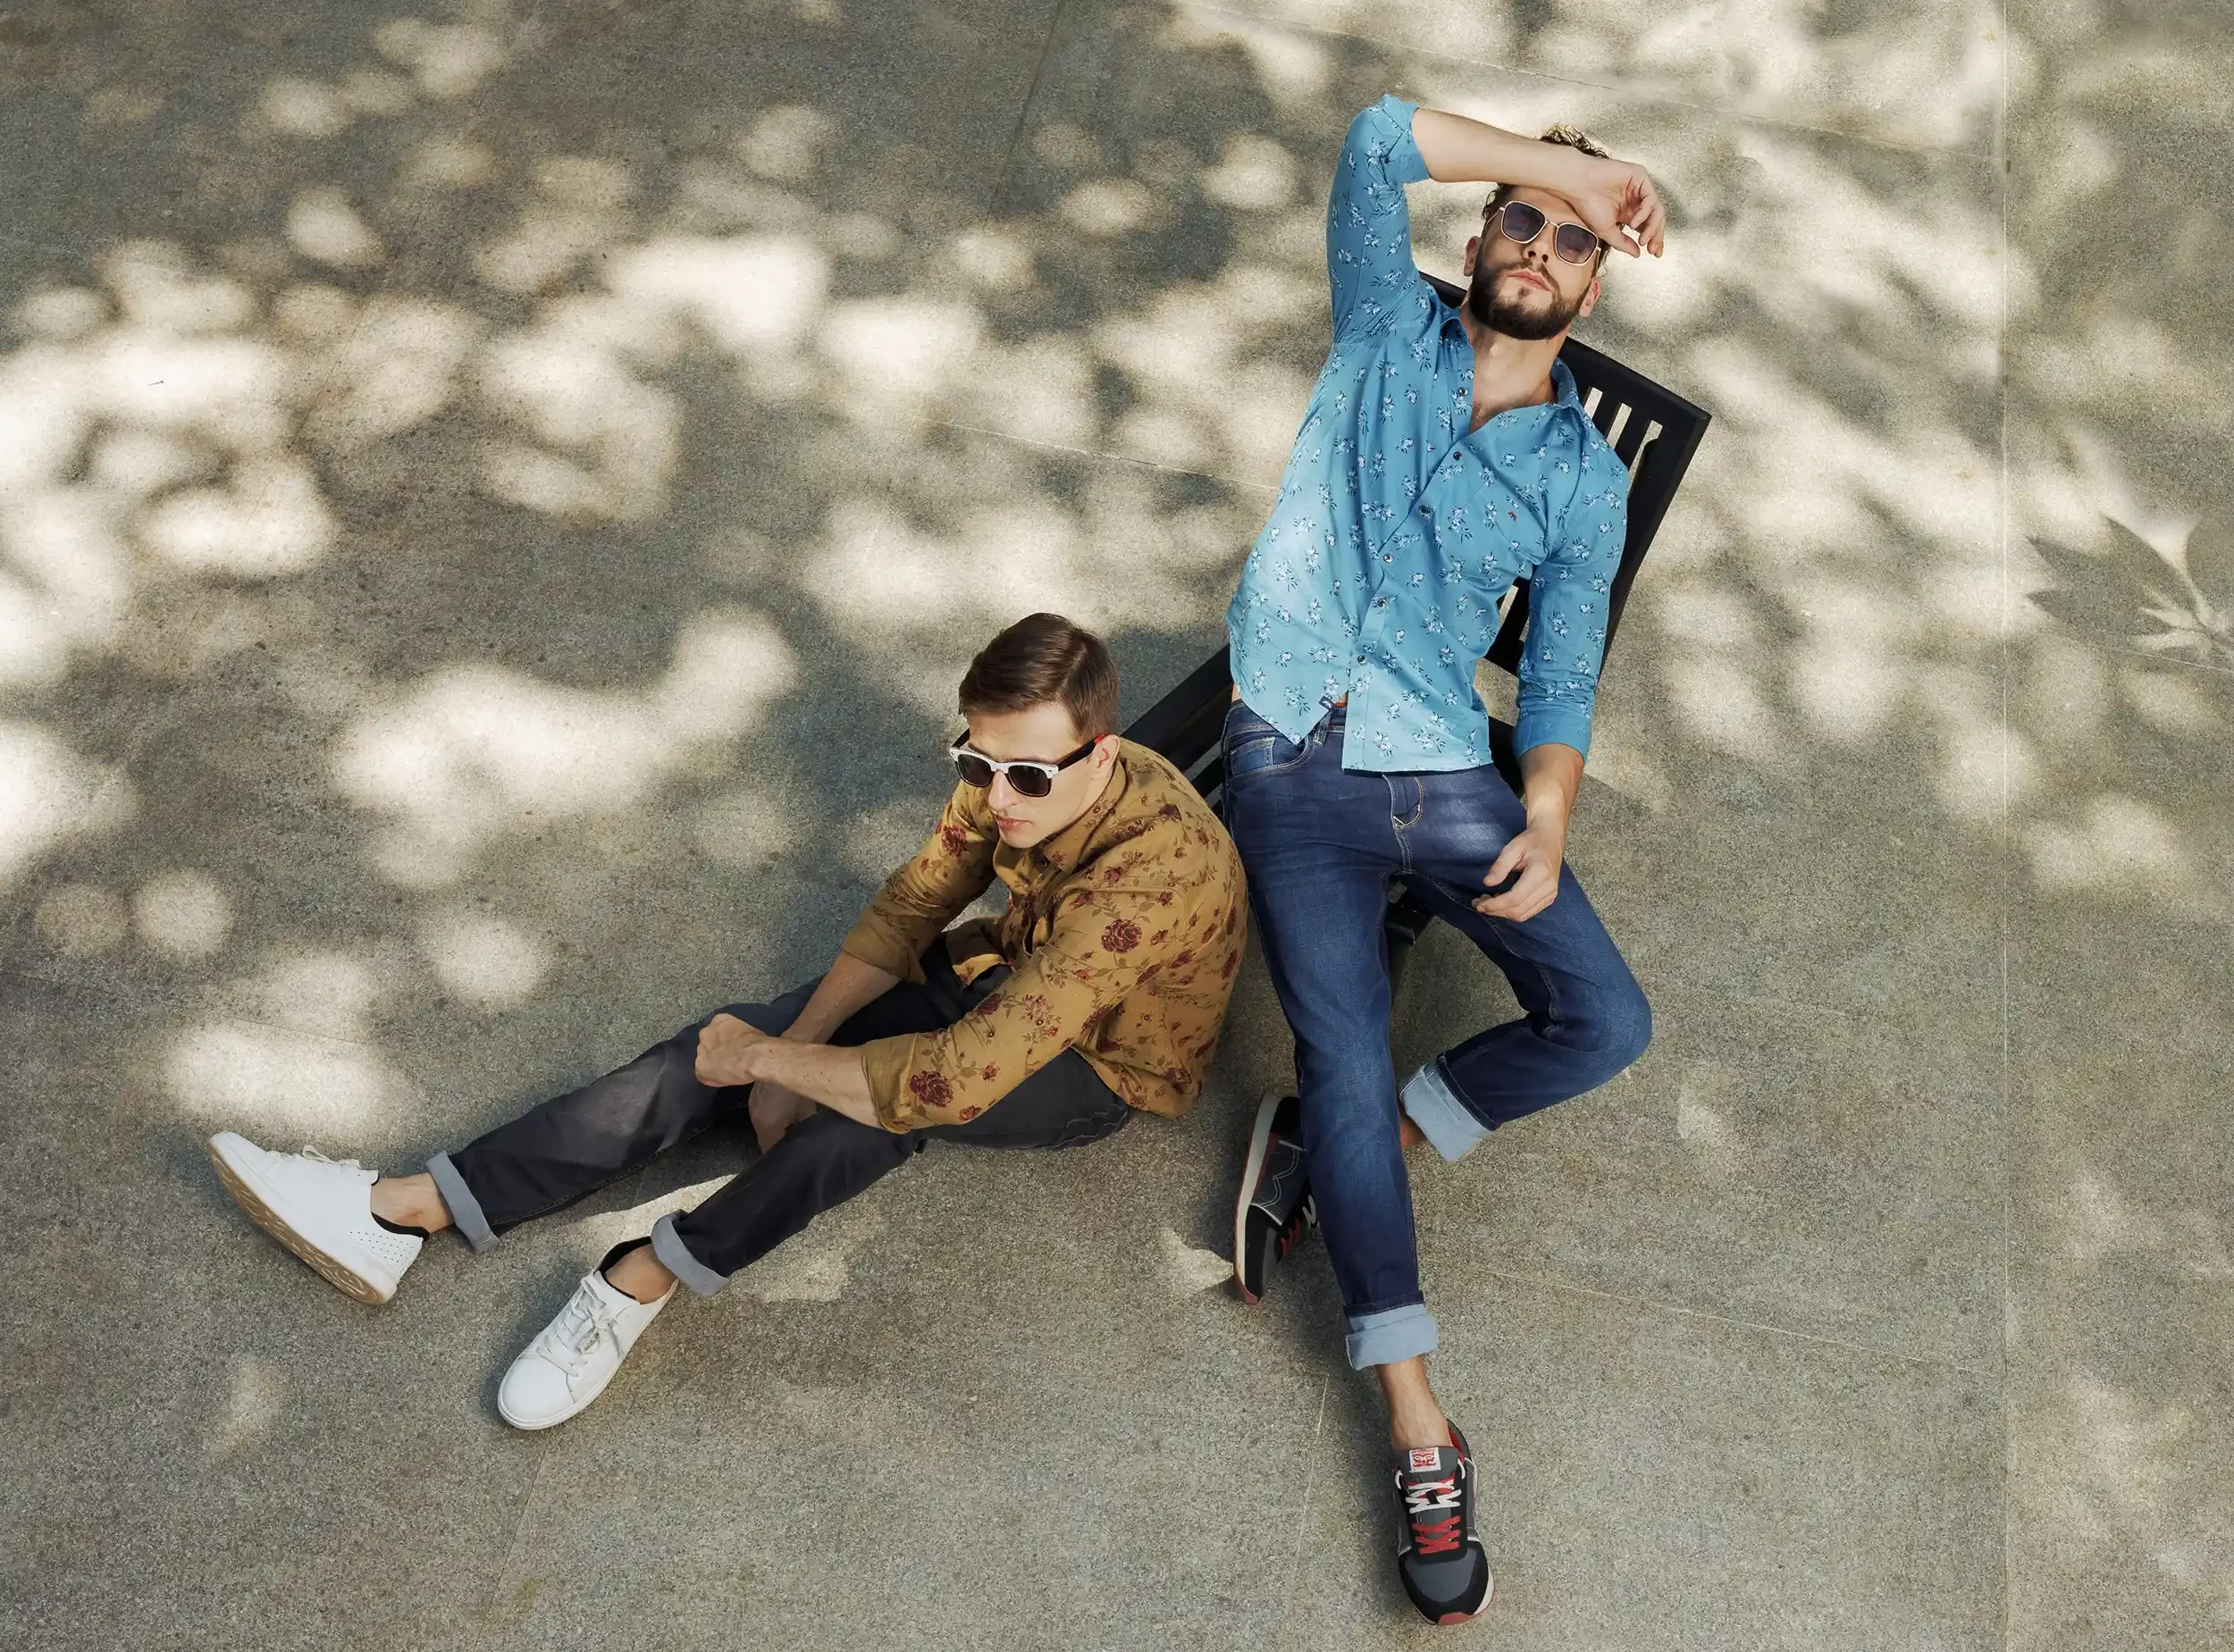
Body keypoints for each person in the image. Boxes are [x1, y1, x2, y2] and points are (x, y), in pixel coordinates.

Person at [208, 614, 1247, 1430]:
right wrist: (788, 1041)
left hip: (1099, 1063)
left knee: (866, 1121)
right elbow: (911, 906)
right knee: (710, 1048)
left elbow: (954, 1081)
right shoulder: (1008, 776)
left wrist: (776, 1059)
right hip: (1000, 972)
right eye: (977, 764)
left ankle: (639, 1278)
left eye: (1024, 776)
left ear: (1100, 756)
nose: (997, 797)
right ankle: (412, 1207)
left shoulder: (1150, 880)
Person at [1221, 96, 1665, 1624]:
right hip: (1285, 754)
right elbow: (1367, 138)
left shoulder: (1582, 477)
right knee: (1341, 1056)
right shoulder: (1380, 321)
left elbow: (1557, 678)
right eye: (1523, 219)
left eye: (1574, 243)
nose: (1541, 247)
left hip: (1439, 769)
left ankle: (1364, 1152)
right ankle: (1419, 1417)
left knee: (1606, 1019)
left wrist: (1546, 812)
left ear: (1594, 290)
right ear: (1482, 234)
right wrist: (1574, 168)